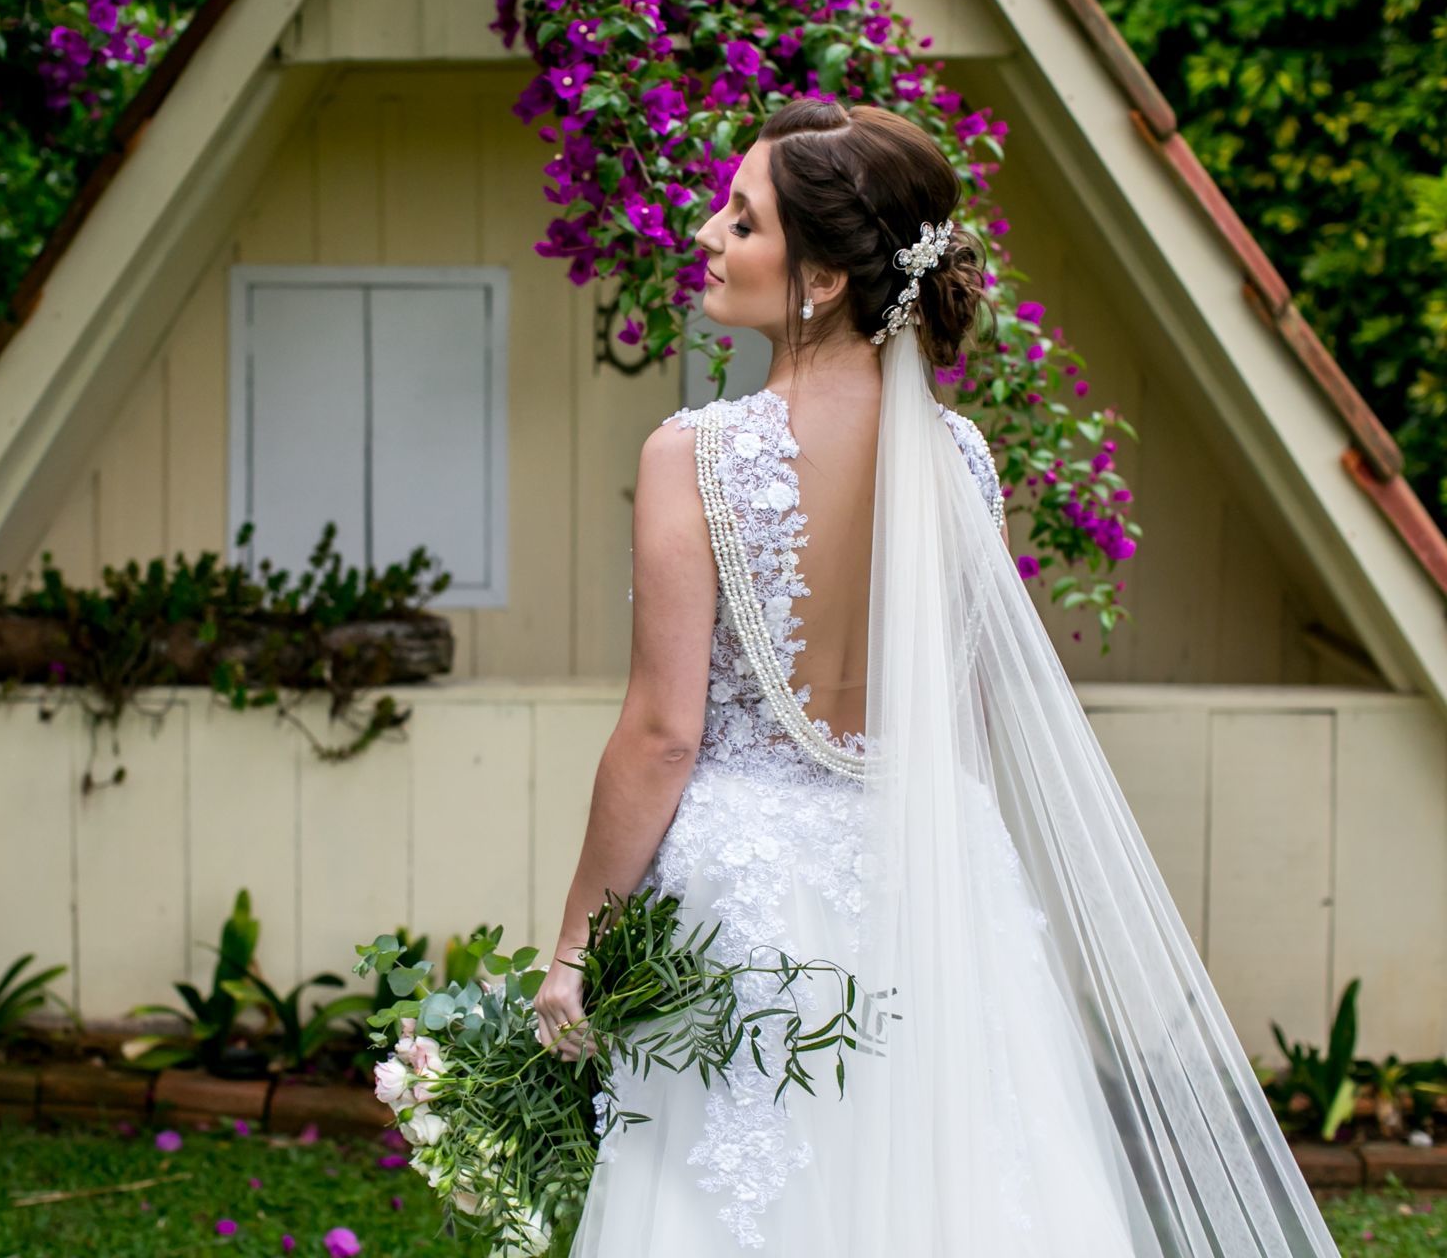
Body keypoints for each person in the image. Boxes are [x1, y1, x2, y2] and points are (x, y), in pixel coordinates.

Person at [533, 98, 1343, 1256]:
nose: (707, 232)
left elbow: (664, 733)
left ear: (821, 280)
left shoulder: (693, 456)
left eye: (743, 220)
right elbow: (957, 720)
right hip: (931, 879)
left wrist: (576, 945)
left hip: (743, 897)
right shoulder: (961, 459)